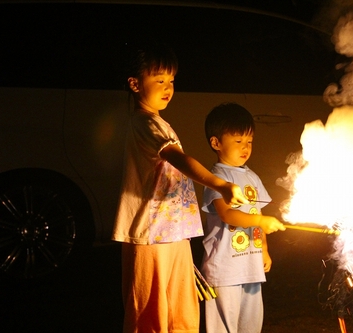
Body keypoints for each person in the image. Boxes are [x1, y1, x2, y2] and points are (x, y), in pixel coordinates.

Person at [111, 43, 248, 333]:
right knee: (150, 311)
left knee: (181, 307)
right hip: (150, 236)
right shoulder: (145, 125)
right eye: (159, 80)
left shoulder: (158, 123)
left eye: (171, 80)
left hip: (174, 233)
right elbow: (179, 159)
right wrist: (221, 184)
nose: (167, 87)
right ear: (135, 84)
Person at [200, 102, 286, 333]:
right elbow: (227, 214)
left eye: (249, 141)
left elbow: (258, 214)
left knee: (250, 325)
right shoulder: (216, 177)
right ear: (216, 143)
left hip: (251, 265)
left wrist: (264, 250)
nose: (245, 147)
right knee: (223, 327)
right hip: (224, 268)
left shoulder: (252, 177)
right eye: (238, 141)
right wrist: (259, 222)